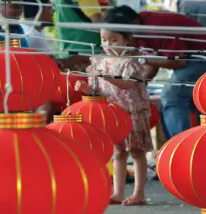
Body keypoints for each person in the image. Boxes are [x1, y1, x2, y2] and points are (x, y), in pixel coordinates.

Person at [106, 5, 206, 140]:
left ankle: (180, 146)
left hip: (205, 58)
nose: (109, 44)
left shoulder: (155, 27)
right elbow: (153, 62)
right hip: (189, 60)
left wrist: (141, 60)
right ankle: (177, 147)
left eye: (114, 39)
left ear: (132, 23)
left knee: (172, 98)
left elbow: (178, 62)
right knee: (177, 102)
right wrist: (137, 87)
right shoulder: (136, 32)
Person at [74, 12, 153, 206]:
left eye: (113, 39)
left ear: (126, 40)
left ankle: (139, 193)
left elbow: (127, 84)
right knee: (118, 152)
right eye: (104, 39)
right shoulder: (99, 63)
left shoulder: (130, 62)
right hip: (112, 115)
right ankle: (117, 193)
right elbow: (96, 89)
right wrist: (84, 88)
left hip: (131, 112)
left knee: (136, 151)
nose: (108, 44)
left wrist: (107, 77)